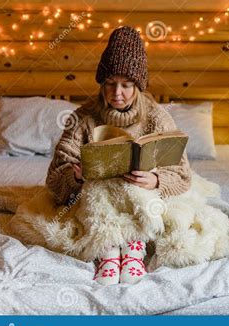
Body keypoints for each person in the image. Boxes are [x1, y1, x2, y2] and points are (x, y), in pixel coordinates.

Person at [45, 26, 191, 285]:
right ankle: (108, 249)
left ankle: (135, 246)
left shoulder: (157, 117)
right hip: (99, 202)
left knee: (137, 185)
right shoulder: (82, 118)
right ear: (102, 84)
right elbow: (55, 179)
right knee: (101, 184)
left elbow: (182, 175)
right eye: (111, 84)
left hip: (140, 198)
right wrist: (75, 176)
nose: (117, 93)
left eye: (126, 85)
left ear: (139, 86)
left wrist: (156, 181)